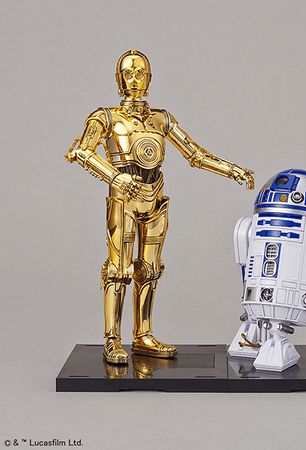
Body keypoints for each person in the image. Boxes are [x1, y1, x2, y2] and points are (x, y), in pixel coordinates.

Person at [65, 49, 254, 364]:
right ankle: (112, 340)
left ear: (149, 78)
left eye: (140, 73)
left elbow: (194, 154)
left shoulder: (161, 118)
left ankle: (143, 335)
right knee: (118, 270)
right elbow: (81, 151)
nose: (134, 78)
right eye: (128, 73)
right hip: (123, 199)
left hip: (154, 197)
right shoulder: (106, 117)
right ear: (118, 79)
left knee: (150, 270)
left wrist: (231, 169)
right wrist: (115, 177)